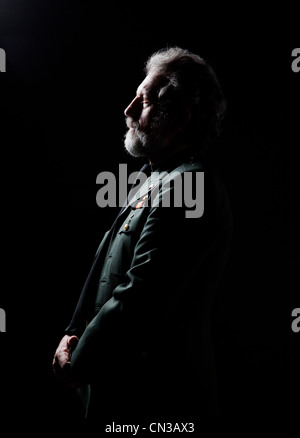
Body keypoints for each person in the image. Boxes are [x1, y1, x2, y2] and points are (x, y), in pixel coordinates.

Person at [53, 46, 233, 427]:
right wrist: (71, 333)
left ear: (180, 118)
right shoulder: (153, 184)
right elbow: (103, 270)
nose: (129, 110)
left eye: (145, 100)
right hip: (125, 394)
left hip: (160, 400)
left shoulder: (191, 186)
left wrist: (78, 361)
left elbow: (141, 294)